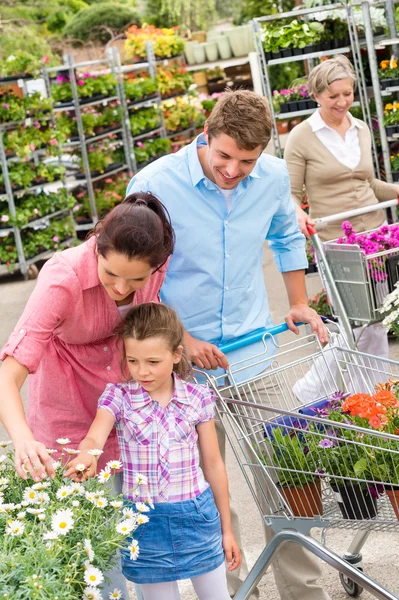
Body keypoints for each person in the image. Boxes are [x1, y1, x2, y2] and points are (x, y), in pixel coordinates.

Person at [126, 89, 331, 600]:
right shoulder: (154, 185)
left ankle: (303, 591)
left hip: (255, 350)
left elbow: (287, 235)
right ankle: (234, 591)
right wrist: (183, 339)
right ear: (205, 134)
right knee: (200, 491)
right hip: (182, 369)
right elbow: (133, 279)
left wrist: (299, 300)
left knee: (287, 475)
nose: (233, 169)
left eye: (247, 160)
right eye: (223, 156)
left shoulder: (275, 177)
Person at [0, 192, 175, 598]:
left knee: (149, 540)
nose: (120, 288)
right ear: (97, 245)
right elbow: (8, 373)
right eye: (111, 273)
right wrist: (24, 440)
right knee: (98, 554)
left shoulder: (158, 267)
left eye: (136, 280)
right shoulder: (62, 279)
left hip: (133, 414)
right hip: (71, 420)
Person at [65, 302, 242, 600]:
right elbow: (95, 436)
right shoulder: (119, 396)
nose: (141, 371)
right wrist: (86, 455)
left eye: (152, 362)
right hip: (144, 524)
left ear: (176, 354)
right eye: (133, 361)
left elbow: (213, 465)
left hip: (197, 516)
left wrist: (226, 530)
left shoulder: (198, 397)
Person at [284, 55, 399, 400]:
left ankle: (376, 396)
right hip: (335, 242)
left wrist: (394, 191)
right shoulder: (301, 138)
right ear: (316, 94)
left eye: (347, 94)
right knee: (354, 322)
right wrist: (300, 215)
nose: (342, 102)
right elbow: (289, 195)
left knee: (377, 321)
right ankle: (314, 388)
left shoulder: (362, 128)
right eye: (333, 95)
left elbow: (367, 182)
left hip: (376, 238)